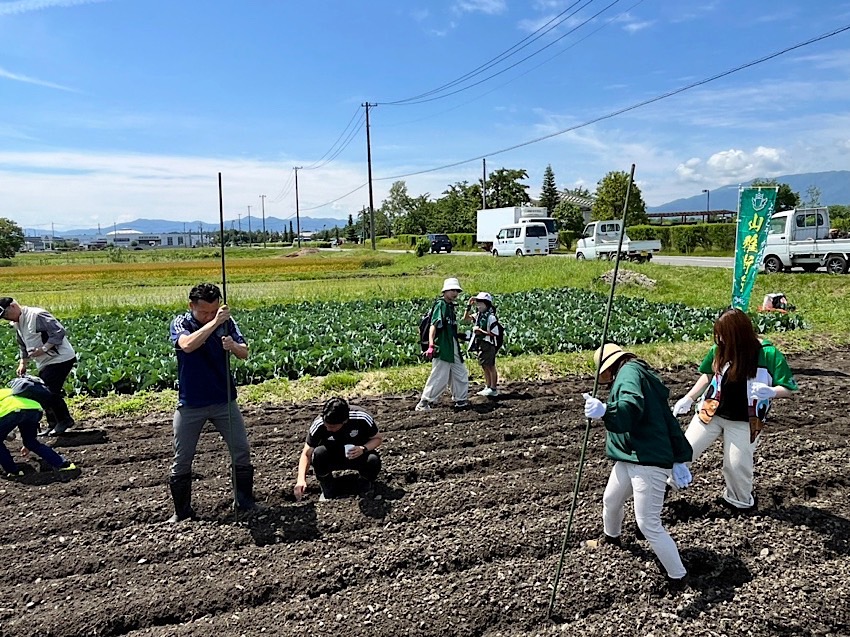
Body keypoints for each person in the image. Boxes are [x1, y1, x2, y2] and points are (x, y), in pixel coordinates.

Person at [583, 343, 693, 590]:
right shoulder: (636, 372)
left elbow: (630, 406)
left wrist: (606, 411)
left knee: (648, 523)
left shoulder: (629, 373)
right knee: (611, 499)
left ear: (608, 367)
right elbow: (663, 418)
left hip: (646, 459)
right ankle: (611, 540)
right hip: (630, 455)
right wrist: (679, 455)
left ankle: (679, 577)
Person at [672, 307, 798, 512]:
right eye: (719, 335)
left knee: (736, 465)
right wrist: (689, 397)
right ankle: (663, 489)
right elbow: (707, 375)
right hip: (711, 412)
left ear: (739, 334)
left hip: (745, 420)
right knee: (683, 451)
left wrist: (772, 392)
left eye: (724, 335)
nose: (720, 339)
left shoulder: (768, 354)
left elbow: (788, 388)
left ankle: (739, 502)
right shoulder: (720, 349)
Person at [167, 282, 256, 522]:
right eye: (203, 312)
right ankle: (182, 512)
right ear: (191, 306)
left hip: (223, 400)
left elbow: (244, 352)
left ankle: (245, 501)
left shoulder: (227, 322)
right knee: (183, 457)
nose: (208, 316)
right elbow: (186, 345)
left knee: (241, 450)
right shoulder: (181, 323)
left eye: (213, 311)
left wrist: (233, 346)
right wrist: (214, 323)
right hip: (191, 403)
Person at [0, 298, 78, 436]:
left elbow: (58, 332)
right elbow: (22, 344)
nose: (6, 319)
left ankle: (64, 420)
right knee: (43, 392)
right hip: (45, 361)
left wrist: (44, 348)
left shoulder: (36, 315)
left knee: (48, 391)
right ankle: (53, 424)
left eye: (5, 315)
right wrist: (23, 363)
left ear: (13, 306)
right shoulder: (17, 323)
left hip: (60, 357)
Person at [294, 397, 382, 501]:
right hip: (332, 457)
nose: (328, 429)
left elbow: (377, 439)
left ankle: (363, 484)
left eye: (332, 427)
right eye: (326, 425)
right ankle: (328, 487)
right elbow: (306, 453)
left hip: (356, 454)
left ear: (344, 421)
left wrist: (363, 448)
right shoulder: (319, 424)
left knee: (373, 460)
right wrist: (301, 480)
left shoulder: (361, 417)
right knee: (318, 454)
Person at [0, 383, 77, 478]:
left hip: (13, 411)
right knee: (31, 442)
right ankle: (64, 464)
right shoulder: (7, 391)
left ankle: (14, 471)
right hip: (35, 409)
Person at [415, 278, 469, 411]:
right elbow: (434, 325)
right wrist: (431, 345)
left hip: (452, 345)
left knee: (460, 372)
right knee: (440, 375)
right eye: (452, 290)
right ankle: (425, 402)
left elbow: (449, 327)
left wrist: (459, 335)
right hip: (443, 345)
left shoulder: (450, 307)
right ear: (445, 291)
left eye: (456, 290)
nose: (455, 293)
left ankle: (461, 399)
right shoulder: (441, 305)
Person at [462, 292, 501, 397]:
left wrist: (481, 332)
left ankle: (493, 388)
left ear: (487, 304)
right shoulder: (479, 315)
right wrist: (468, 306)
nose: (478, 306)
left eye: (481, 304)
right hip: (480, 343)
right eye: (477, 304)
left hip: (488, 344)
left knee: (490, 366)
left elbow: (495, 333)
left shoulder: (491, 317)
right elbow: (465, 318)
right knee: (484, 365)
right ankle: (488, 386)